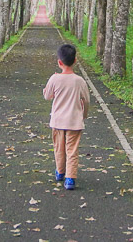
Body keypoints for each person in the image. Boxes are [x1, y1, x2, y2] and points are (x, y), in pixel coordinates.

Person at [43, 43, 90, 190]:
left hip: (58, 121)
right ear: (75, 61)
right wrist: (84, 115)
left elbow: (47, 96)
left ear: (59, 62)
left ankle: (60, 172)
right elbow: (86, 100)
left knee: (59, 148)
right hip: (74, 121)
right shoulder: (80, 81)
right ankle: (70, 178)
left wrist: (47, 88)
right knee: (72, 150)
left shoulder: (54, 79)